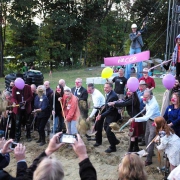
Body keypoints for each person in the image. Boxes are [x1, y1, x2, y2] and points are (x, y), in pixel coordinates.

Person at [129, 90, 160, 166]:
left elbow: (145, 118)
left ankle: (149, 160)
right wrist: (145, 105)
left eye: (146, 97)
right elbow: (145, 104)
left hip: (154, 122)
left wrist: (134, 119)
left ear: (151, 96)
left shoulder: (154, 105)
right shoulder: (150, 99)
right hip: (149, 120)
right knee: (146, 136)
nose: (144, 98)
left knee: (150, 140)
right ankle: (150, 152)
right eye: (144, 96)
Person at [96, 82, 120, 153]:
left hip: (113, 116)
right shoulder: (108, 94)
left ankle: (113, 147)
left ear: (111, 88)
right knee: (105, 127)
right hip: (109, 115)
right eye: (104, 87)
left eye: (107, 87)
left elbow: (110, 110)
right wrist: (104, 106)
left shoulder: (113, 96)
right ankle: (115, 141)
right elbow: (108, 105)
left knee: (109, 131)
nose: (105, 89)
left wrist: (101, 115)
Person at [137, 80, 147, 146]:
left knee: (144, 127)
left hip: (144, 113)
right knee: (139, 126)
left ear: (145, 86)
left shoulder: (146, 93)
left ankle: (144, 140)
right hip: (138, 112)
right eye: (140, 85)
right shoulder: (138, 92)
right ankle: (140, 137)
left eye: (142, 85)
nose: (141, 86)